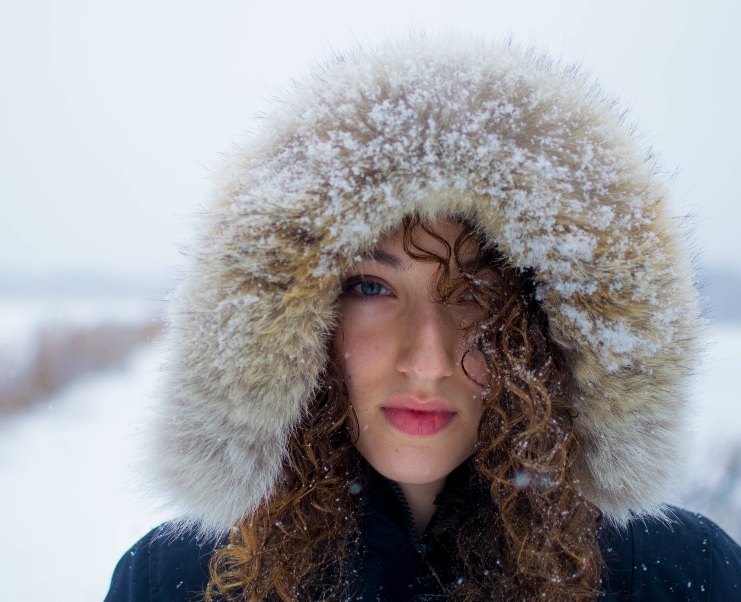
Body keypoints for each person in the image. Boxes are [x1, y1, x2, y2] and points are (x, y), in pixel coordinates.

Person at [105, 36, 741, 601]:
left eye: (475, 294)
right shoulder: (182, 580)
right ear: (294, 324)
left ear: (550, 328)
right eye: (373, 287)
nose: (428, 361)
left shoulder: (671, 575)